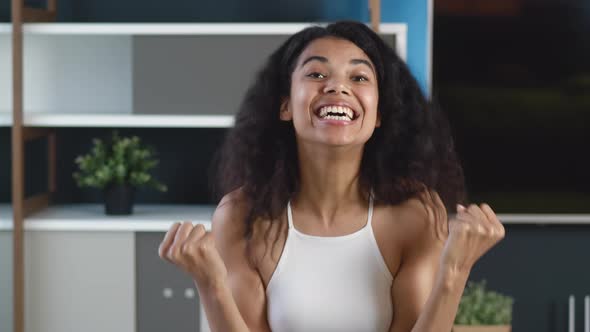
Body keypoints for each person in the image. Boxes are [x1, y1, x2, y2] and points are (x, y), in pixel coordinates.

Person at [158, 20, 505, 332]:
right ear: (284, 105)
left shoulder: (415, 214)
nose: (338, 87)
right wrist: (210, 284)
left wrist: (455, 272)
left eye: (359, 77)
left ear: (379, 113)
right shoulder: (241, 215)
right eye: (316, 74)